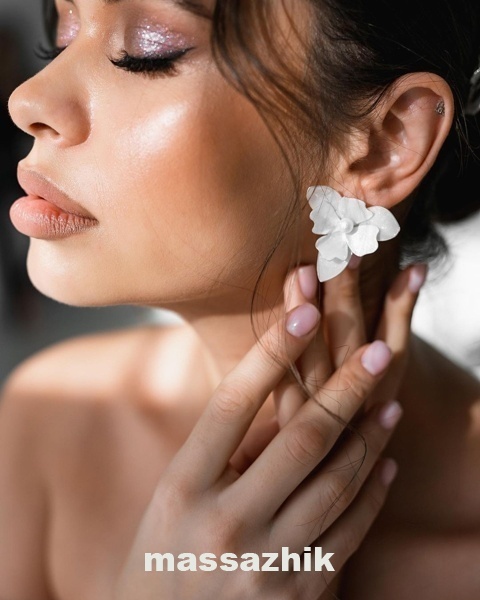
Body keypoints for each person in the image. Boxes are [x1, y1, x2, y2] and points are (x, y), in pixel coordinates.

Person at [1, 0, 479, 599]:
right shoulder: (49, 419)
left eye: (146, 50)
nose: (27, 99)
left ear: (385, 143)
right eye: (64, 32)